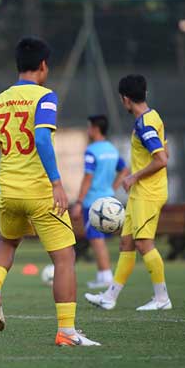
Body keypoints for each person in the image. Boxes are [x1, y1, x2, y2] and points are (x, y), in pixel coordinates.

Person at [0, 37, 100, 346]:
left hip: (8, 191)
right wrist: (57, 183)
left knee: (7, 241)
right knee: (64, 257)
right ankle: (66, 331)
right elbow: (43, 141)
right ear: (44, 66)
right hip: (38, 192)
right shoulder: (46, 97)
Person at [85, 74, 171, 311]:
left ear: (125, 99)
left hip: (148, 193)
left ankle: (162, 298)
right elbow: (166, 153)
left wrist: (134, 177)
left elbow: (162, 160)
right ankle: (110, 297)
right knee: (126, 243)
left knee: (144, 244)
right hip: (140, 193)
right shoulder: (153, 118)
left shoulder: (145, 124)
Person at [70, 115, 129, 289]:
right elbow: (124, 169)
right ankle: (103, 275)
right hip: (109, 199)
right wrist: (113, 188)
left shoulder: (92, 151)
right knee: (99, 239)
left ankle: (105, 276)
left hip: (93, 202)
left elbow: (88, 177)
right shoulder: (111, 149)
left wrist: (79, 202)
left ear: (95, 128)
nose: (88, 130)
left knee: (96, 239)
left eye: (89, 127)